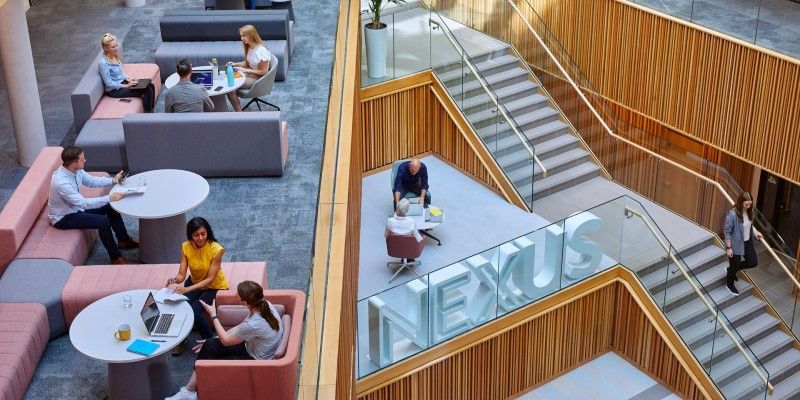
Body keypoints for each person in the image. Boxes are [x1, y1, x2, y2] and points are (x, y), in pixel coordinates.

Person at [165, 280, 283, 400]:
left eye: (238, 295)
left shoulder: (254, 323)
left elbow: (227, 340)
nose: (235, 295)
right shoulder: (264, 304)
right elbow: (241, 327)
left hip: (254, 359)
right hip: (253, 345)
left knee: (212, 348)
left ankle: (190, 390)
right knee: (210, 344)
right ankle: (190, 391)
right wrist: (216, 338)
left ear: (245, 302)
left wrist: (213, 315)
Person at [47, 146, 138, 264]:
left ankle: (123, 240)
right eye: (82, 159)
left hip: (75, 208)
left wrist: (113, 180)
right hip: (63, 217)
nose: (85, 160)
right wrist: (109, 197)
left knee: (110, 207)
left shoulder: (76, 170)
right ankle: (116, 258)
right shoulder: (62, 183)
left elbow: (92, 181)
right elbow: (84, 203)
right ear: (74, 163)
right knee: (102, 222)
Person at [166, 217, 229, 354]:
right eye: (196, 235)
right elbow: (181, 275)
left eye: (203, 233)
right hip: (194, 282)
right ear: (190, 236)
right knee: (180, 306)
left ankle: (211, 342)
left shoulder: (216, 249)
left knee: (193, 311)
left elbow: (210, 279)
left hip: (213, 285)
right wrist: (174, 280)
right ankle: (181, 339)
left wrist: (187, 289)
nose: (200, 238)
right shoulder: (185, 247)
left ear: (208, 232)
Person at [98, 33, 155, 112]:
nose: (115, 48)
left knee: (150, 85)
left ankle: (151, 109)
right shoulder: (103, 64)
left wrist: (129, 79)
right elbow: (109, 83)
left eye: (116, 46)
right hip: (115, 90)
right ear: (106, 48)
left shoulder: (114, 55)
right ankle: (148, 116)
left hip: (123, 83)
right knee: (147, 90)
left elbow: (121, 73)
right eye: (113, 47)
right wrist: (127, 85)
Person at [723, 192, 763, 295]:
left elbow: (749, 225)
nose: (748, 206)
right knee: (735, 263)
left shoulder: (749, 211)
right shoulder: (732, 214)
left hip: (747, 241)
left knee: (752, 262)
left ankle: (731, 269)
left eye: (750, 204)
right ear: (741, 202)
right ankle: (729, 284)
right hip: (735, 243)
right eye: (746, 204)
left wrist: (755, 232)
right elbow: (727, 232)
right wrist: (729, 248)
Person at [226, 25, 273, 112]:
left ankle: (239, 113)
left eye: (243, 36)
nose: (241, 38)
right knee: (228, 78)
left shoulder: (261, 51)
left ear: (251, 35)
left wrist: (245, 70)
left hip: (258, 79)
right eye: (241, 36)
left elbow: (264, 72)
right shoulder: (250, 47)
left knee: (230, 88)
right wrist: (235, 64)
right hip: (250, 74)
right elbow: (248, 62)